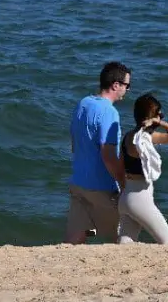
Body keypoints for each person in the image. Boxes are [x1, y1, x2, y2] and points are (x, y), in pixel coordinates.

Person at [65, 61, 131, 245]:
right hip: (100, 188)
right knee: (120, 230)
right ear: (115, 85)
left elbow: (74, 141)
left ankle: (85, 235)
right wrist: (123, 184)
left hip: (78, 182)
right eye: (127, 85)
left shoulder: (83, 103)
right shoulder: (109, 112)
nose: (127, 90)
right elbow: (108, 155)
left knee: (79, 234)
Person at [117, 92, 168, 244]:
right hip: (140, 199)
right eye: (160, 114)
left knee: (125, 246)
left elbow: (119, 166)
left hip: (126, 197)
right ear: (154, 116)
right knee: (167, 242)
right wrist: (160, 123)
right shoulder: (145, 139)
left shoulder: (128, 137)